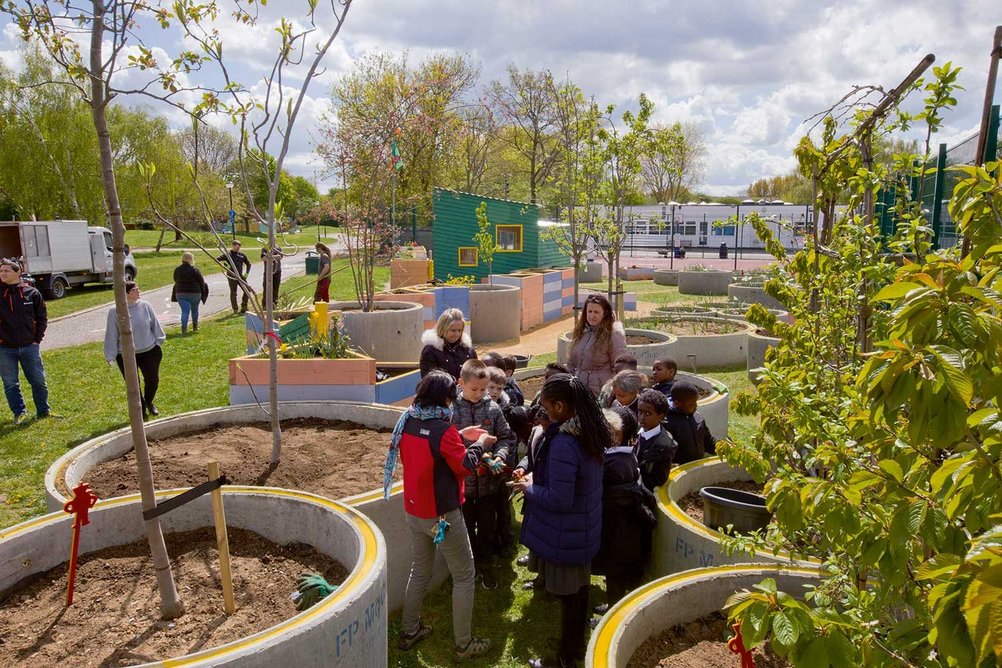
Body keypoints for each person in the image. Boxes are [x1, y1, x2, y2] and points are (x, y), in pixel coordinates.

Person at [386, 370, 494, 661]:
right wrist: (478, 445)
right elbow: (463, 466)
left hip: (414, 511)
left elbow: (430, 448)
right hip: (442, 516)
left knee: (419, 570)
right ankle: (463, 644)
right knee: (464, 575)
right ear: (445, 399)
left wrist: (460, 435)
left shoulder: (408, 420)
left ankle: (409, 631)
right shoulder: (443, 431)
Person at [512, 373, 606, 668]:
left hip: (568, 533)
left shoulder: (565, 441)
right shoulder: (588, 431)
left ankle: (565, 657)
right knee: (578, 594)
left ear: (562, 407)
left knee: (570, 598)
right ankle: (574, 646)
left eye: (548, 405)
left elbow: (561, 499)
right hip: (582, 528)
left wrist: (529, 488)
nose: (544, 409)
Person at [452, 359, 516, 590]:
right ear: (461, 383)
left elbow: (506, 437)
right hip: (464, 486)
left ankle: (487, 565)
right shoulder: (452, 410)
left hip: (490, 484)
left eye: (483, 389)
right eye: (474, 389)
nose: (480, 394)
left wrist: (499, 456)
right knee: (465, 529)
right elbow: (448, 443)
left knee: (488, 529)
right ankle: (468, 570)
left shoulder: (493, 409)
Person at [592, 406, 657, 613]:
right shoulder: (625, 456)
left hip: (618, 532)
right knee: (614, 573)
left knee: (615, 574)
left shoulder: (614, 463)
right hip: (622, 529)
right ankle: (613, 604)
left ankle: (614, 612)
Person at [104, 281, 166, 418]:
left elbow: (155, 324)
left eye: (138, 288)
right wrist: (110, 355)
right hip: (126, 355)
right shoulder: (115, 311)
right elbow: (111, 333)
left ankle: (149, 401)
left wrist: (159, 340)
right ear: (125, 294)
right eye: (133, 290)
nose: (138, 291)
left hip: (149, 351)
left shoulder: (145, 306)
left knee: (153, 380)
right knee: (134, 385)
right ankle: (141, 408)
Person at [0, 258, 50, 423]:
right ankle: (19, 413)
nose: (2, 274)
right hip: (5, 348)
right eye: (1, 271)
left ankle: (44, 411)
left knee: (38, 381)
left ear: (17, 272)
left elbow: (41, 318)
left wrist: (37, 339)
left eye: (6, 271)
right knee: (10, 383)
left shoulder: (32, 293)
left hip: (30, 347)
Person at [566, 294, 627, 396]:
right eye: (589, 311)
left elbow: (620, 367)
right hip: (578, 390)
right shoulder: (580, 332)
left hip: (601, 393)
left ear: (605, 313)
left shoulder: (613, 335)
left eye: (596, 312)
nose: (592, 316)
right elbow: (571, 363)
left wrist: (609, 390)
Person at [663, 381, 717, 466]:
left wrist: (724, 449)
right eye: (692, 404)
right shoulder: (667, 423)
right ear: (677, 403)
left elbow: (708, 442)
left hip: (698, 467)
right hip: (680, 472)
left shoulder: (698, 418)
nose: (696, 406)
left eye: (696, 402)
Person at [634, 389, 678, 491]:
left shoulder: (664, 446)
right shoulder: (634, 430)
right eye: (640, 411)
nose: (642, 417)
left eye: (648, 413)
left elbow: (658, 480)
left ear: (661, 416)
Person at [419, 308, 477, 380]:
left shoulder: (468, 350)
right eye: (453, 330)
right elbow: (428, 382)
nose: (457, 334)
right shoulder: (430, 352)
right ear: (442, 329)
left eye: (459, 330)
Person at [172, 251, 206, 334]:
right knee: (195, 310)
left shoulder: (178, 270)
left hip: (181, 293)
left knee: (185, 311)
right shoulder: (195, 270)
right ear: (191, 259)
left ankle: (184, 329)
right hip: (195, 292)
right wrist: (202, 291)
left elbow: (175, 280)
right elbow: (201, 281)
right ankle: (195, 327)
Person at [217, 239, 251, 314]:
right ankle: (235, 308)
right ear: (233, 246)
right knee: (234, 293)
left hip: (240, 276)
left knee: (248, 289)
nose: (238, 247)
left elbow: (249, 264)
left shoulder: (241, 255)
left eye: (239, 246)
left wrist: (247, 273)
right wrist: (226, 265)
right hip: (232, 276)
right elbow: (217, 259)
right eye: (236, 246)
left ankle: (244, 306)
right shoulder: (228, 254)